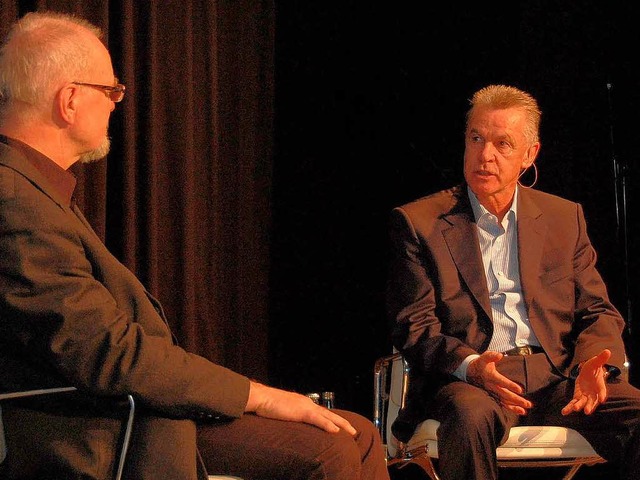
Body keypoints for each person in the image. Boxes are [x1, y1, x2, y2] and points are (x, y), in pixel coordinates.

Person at [0, 11, 390, 480]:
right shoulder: (14, 199)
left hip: (133, 413)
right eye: (110, 91)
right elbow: (109, 353)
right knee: (332, 449)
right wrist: (263, 396)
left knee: (359, 433)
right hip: (104, 433)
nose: (117, 104)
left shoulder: (36, 191)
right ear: (69, 100)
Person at [386, 84, 640, 480]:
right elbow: (415, 327)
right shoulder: (420, 223)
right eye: (476, 139)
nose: (485, 155)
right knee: (470, 418)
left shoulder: (563, 217)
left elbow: (597, 310)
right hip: (473, 382)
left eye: (503, 144)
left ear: (529, 154)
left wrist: (595, 363)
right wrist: (471, 367)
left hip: (556, 376)